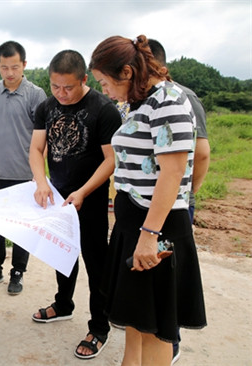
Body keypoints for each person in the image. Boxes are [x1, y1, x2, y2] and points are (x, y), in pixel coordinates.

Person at [89, 35, 207, 366]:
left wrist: (149, 235)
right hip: (134, 223)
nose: (106, 92)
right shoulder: (141, 102)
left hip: (156, 226)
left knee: (155, 327)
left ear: (126, 72)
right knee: (136, 317)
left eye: (106, 83)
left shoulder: (169, 101)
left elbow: (172, 173)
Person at [29, 50, 121, 359]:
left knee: (96, 263)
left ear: (84, 79)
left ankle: (99, 327)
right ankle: (64, 304)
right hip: (58, 197)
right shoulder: (46, 107)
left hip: (90, 199)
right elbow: (37, 148)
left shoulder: (104, 109)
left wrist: (82, 191)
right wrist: (42, 182)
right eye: (55, 87)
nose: (62, 94)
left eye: (68, 87)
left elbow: (111, 160)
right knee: (61, 254)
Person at [148, 38, 210, 365]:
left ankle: (169, 342)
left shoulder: (180, 98)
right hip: (164, 201)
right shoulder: (169, 97)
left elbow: (200, 155)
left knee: (168, 271)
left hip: (172, 202)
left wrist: (188, 196)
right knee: (161, 273)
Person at [0, 41, 47, 295]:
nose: (10, 73)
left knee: (22, 228)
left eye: (15, 67)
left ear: (24, 65)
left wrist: (40, 176)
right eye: (4, 67)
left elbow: (43, 135)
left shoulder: (36, 95)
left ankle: (18, 272)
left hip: (25, 176)